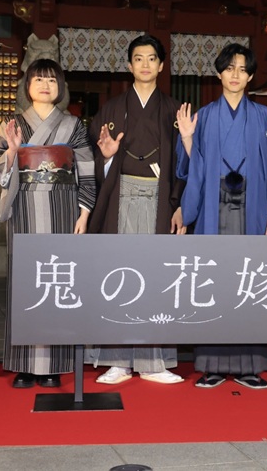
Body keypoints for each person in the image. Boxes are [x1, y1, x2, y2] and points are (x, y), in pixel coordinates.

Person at [176, 43, 267, 389]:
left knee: (251, 280)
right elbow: (196, 167)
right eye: (229, 68)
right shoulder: (204, 116)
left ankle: (251, 365)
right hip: (214, 207)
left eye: (242, 69)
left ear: (250, 77)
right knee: (215, 281)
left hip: (254, 205)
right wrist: (187, 138)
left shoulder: (263, 116)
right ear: (219, 73)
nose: (235, 75)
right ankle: (212, 364)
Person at [0, 58, 96, 389]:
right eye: (38, 79)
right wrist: (13, 150)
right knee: (26, 283)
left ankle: (54, 365)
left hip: (63, 206)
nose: (45, 85)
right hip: (24, 205)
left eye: (51, 80)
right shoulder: (12, 124)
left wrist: (84, 212)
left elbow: (86, 169)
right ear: (28, 86)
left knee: (59, 282)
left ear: (60, 86)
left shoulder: (74, 125)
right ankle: (24, 364)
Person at [85, 34, 186, 385]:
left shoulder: (175, 110)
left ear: (161, 65)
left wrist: (178, 204)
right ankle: (117, 360)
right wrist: (107, 158)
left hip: (160, 199)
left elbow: (185, 163)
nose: (145, 64)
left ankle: (152, 361)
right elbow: (95, 155)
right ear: (129, 65)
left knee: (155, 278)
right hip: (120, 196)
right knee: (119, 276)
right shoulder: (112, 109)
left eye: (151, 58)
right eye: (138, 58)